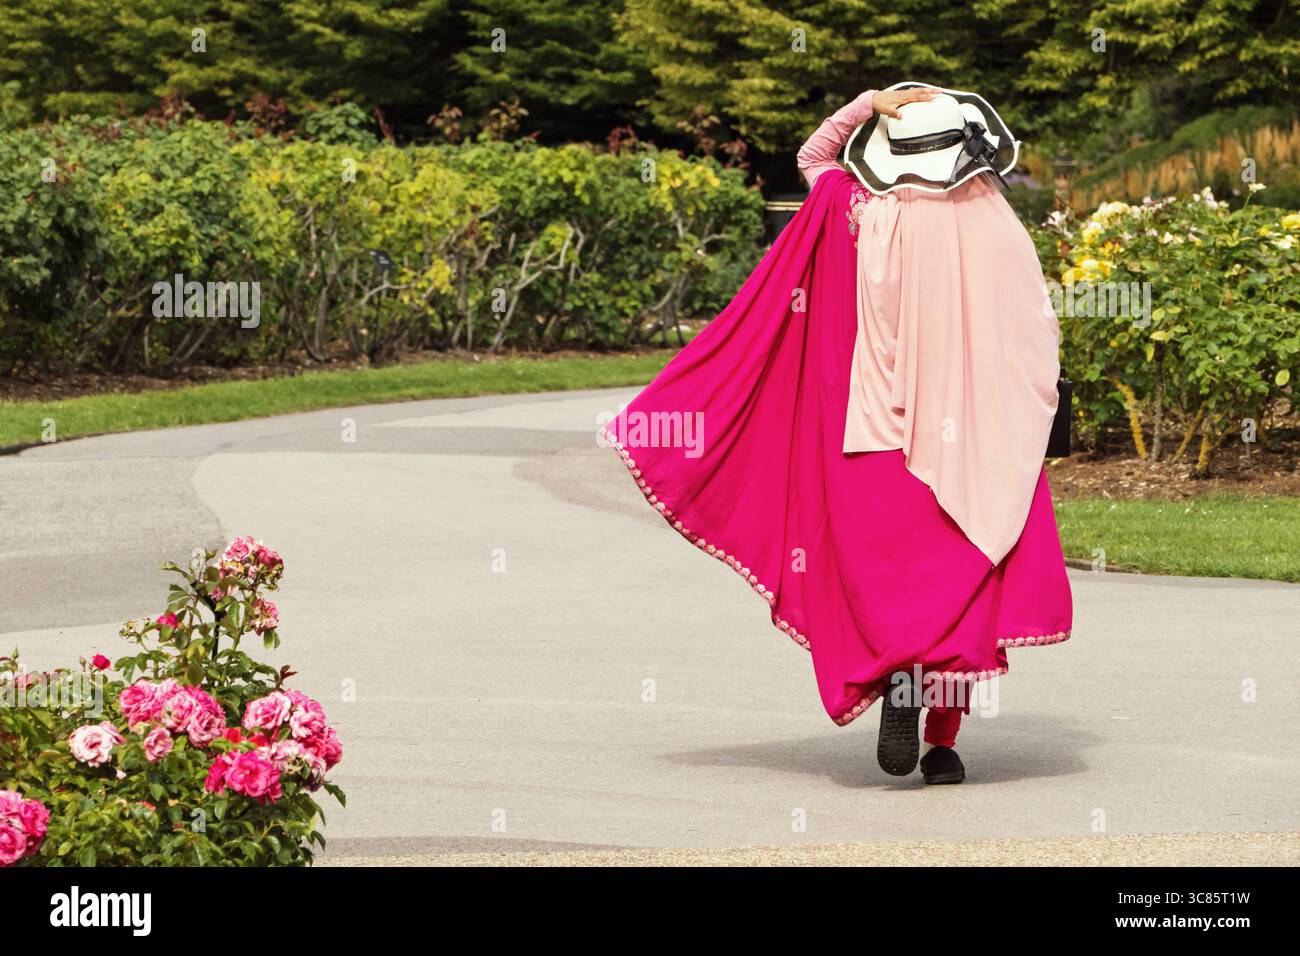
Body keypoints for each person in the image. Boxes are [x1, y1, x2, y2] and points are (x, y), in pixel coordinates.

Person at [602, 83, 1072, 785]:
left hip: (871, 437)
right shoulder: (990, 219)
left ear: (889, 154)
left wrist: (868, 101)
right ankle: (942, 743)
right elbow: (1035, 336)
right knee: (964, 577)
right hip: (965, 437)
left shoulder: (846, 205)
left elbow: (812, 154)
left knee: (887, 581)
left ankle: (894, 684)